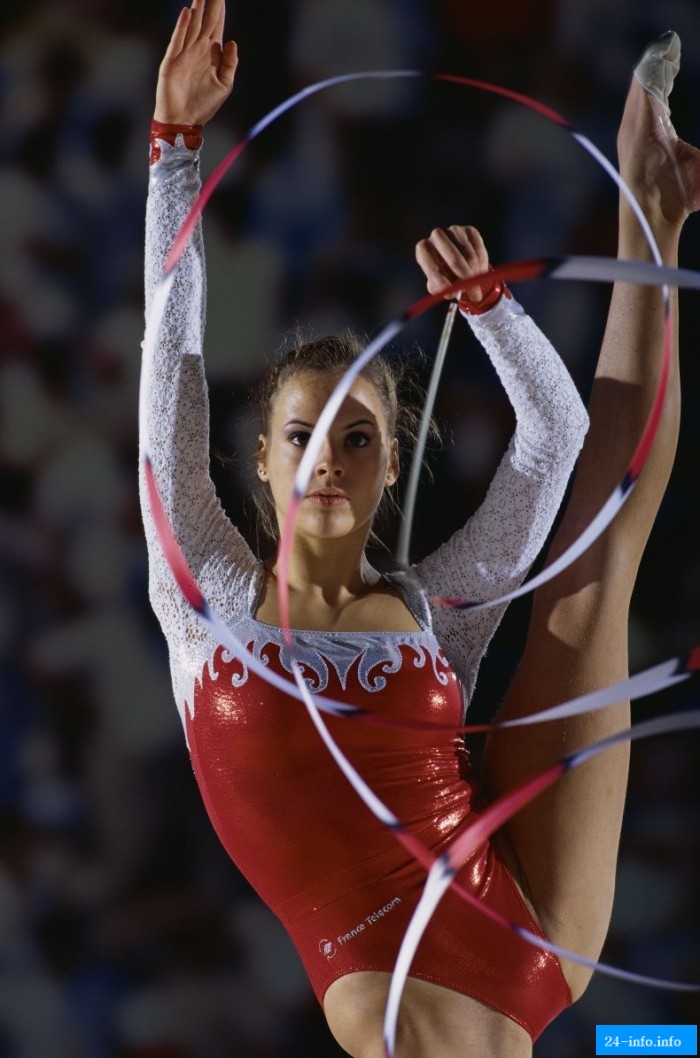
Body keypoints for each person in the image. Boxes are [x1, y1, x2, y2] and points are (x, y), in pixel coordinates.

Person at [140, 3, 699, 1055]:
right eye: (302, 435)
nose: (326, 459)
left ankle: (650, 200)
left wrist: (490, 309)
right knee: (598, 572)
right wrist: (174, 153)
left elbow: (555, 438)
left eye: (357, 438)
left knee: (597, 556)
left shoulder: (435, 610)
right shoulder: (201, 591)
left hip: (482, 895)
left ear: (390, 465)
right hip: (529, 941)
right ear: (262, 458)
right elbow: (170, 373)